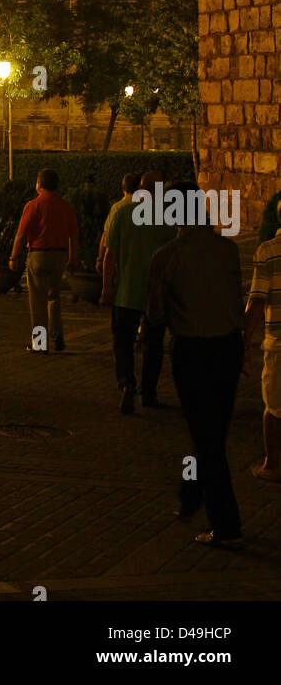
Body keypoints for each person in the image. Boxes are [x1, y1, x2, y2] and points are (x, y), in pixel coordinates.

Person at [147, 183, 244, 547]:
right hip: (227, 347)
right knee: (210, 431)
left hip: (193, 350)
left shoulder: (167, 255)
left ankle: (227, 524)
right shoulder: (228, 250)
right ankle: (190, 495)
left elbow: (155, 312)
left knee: (207, 439)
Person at [101, 170, 175, 413]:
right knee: (153, 345)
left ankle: (126, 384)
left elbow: (110, 255)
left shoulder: (122, 213)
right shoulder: (170, 220)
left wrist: (106, 287)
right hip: (156, 294)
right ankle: (149, 392)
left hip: (126, 292)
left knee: (122, 342)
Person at [9, 167, 78, 353]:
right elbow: (73, 236)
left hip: (38, 254)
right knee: (54, 297)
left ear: (39, 184)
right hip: (60, 255)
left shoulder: (33, 205)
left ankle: (40, 343)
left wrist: (14, 257)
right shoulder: (65, 206)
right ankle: (58, 337)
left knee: (37, 301)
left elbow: (21, 235)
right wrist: (73, 259)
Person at [243, 195, 281, 483]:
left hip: (277, 342)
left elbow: (256, 302)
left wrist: (245, 344)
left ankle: (272, 464)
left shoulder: (268, 252)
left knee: (274, 407)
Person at [96, 172, 141, 275]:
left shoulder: (117, 207)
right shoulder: (145, 206)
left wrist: (100, 258)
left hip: (121, 257)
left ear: (123, 188)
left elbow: (107, 234)